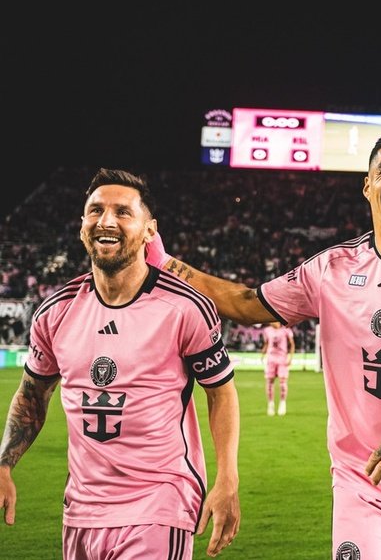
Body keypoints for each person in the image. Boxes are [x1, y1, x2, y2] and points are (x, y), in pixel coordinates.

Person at [146, 129, 381, 558]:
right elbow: (247, 303)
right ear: (367, 186)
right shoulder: (331, 269)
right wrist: (161, 261)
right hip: (362, 481)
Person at [0, 168, 241, 559]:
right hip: (81, 510)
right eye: (95, 211)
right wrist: (4, 463)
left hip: (161, 503)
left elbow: (221, 392)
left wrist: (227, 477)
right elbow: (32, 394)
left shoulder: (184, 308)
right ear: (82, 226)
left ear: (150, 230)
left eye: (123, 212)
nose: (106, 221)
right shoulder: (55, 313)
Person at [261, 321, 295, 416]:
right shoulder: (267, 330)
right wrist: (263, 354)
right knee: (269, 381)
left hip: (282, 359)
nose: (271, 322)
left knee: (282, 382)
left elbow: (292, 344)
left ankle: (282, 403)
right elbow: (267, 343)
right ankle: (270, 404)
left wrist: (290, 357)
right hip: (271, 358)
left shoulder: (286, 331)